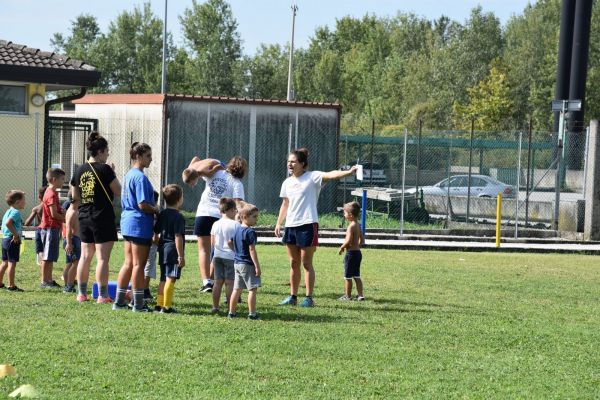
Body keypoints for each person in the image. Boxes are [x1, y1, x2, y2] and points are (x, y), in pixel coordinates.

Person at [275, 148, 358, 307]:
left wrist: (348, 173)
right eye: (289, 161)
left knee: (306, 263)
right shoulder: (287, 182)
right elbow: (285, 204)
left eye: (293, 161)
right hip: (291, 226)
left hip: (308, 224)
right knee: (293, 263)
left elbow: (331, 174)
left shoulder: (312, 177)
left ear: (302, 164)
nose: (290, 164)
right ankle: (292, 297)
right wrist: (279, 223)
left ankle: (308, 298)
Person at [71, 131, 121, 303]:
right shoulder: (105, 169)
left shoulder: (79, 170)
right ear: (100, 151)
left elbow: (74, 195)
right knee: (102, 258)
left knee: (85, 256)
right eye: (107, 151)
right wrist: (112, 173)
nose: (107, 154)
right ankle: (102, 295)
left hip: (84, 216)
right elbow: (118, 191)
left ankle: (81, 294)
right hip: (102, 216)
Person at [188, 156, 247, 293]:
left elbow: (197, 170)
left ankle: (207, 282)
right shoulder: (237, 183)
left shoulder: (216, 172)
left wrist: (213, 165)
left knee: (203, 250)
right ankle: (217, 279)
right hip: (220, 218)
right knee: (218, 249)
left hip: (203, 213)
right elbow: (238, 204)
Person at [113, 142, 158, 312]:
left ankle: (119, 301)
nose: (151, 159)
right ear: (137, 156)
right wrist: (156, 209)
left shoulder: (129, 174)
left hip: (127, 223)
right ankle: (138, 304)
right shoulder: (140, 177)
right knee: (139, 265)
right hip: (139, 223)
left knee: (128, 263)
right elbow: (143, 205)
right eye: (148, 155)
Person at [154, 184, 186, 314]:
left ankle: (159, 304)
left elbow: (156, 232)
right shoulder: (178, 217)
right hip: (173, 251)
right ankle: (166, 307)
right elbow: (178, 236)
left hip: (163, 249)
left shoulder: (162, 214)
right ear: (179, 199)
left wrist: (157, 242)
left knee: (163, 278)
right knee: (170, 278)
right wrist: (181, 256)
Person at [227, 203, 261, 320]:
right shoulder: (250, 232)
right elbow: (252, 249)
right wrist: (257, 266)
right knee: (252, 289)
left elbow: (229, 242)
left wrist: (236, 252)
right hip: (247, 264)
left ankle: (231, 312)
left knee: (237, 289)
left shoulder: (237, 230)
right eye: (254, 216)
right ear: (245, 217)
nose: (256, 219)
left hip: (237, 263)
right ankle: (252, 314)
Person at [210, 197, 239, 314]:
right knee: (230, 282)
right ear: (231, 210)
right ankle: (229, 308)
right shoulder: (236, 225)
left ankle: (215, 307)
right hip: (231, 256)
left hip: (217, 255)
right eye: (235, 210)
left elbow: (213, 242)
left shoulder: (215, 224)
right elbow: (236, 241)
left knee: (217, 282)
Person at [39, 168, 66, 289]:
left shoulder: (54, 193)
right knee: (47, 256)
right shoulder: (50, 194)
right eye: (62, 179)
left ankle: (49, 280)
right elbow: (53, 214)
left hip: (54, 228)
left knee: (51, 256)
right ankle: (44, 281)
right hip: (50, 228)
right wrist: (65, 217)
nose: (63, 182)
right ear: (53, 180)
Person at [338, 201, 365, 301]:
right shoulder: (358, 225)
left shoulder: (351, 226)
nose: (344, 215)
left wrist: (342, 247)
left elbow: (348, 240)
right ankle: (360, 295)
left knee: (347, 276)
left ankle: (347, 296)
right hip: (358, 253)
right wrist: (356, 246)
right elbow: (362, 240)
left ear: (350, 215)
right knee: (357, 275)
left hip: (351, 254)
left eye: (344, 213)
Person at [0, 190, 26, 291]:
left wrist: (21, 193)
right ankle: (11, 286)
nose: (25, 202)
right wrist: (15, 235)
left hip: (5, 239)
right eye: (23, 200)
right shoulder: (16, 212)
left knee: (4, 262)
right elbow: (8, 223)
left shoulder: (8, 211)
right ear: (17, 202)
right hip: (12, 240)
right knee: (12, 263)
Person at [143, 190, 160, 302]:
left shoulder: (154, 210)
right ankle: (144, 290)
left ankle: (145, 289)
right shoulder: (151, 210)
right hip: (149, 242)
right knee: (148, 266)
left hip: (149, 241)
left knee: (149, 265)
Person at [62, 194, 81, 294]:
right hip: (73, 240)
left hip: (74, 239)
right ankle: (69, 286)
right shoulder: (72, 212)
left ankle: (67, 285)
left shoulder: (75, 210)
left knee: (69, 263)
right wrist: (69, 243)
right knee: (75, 263)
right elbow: (68, 228)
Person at [24, 186, 46, 266]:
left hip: (39, 230)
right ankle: (45, 261)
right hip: (49, 230)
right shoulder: (53, 208)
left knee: (39, 248)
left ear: (39, 197)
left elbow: (27, 223)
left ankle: (40, 261)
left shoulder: (37, 208)